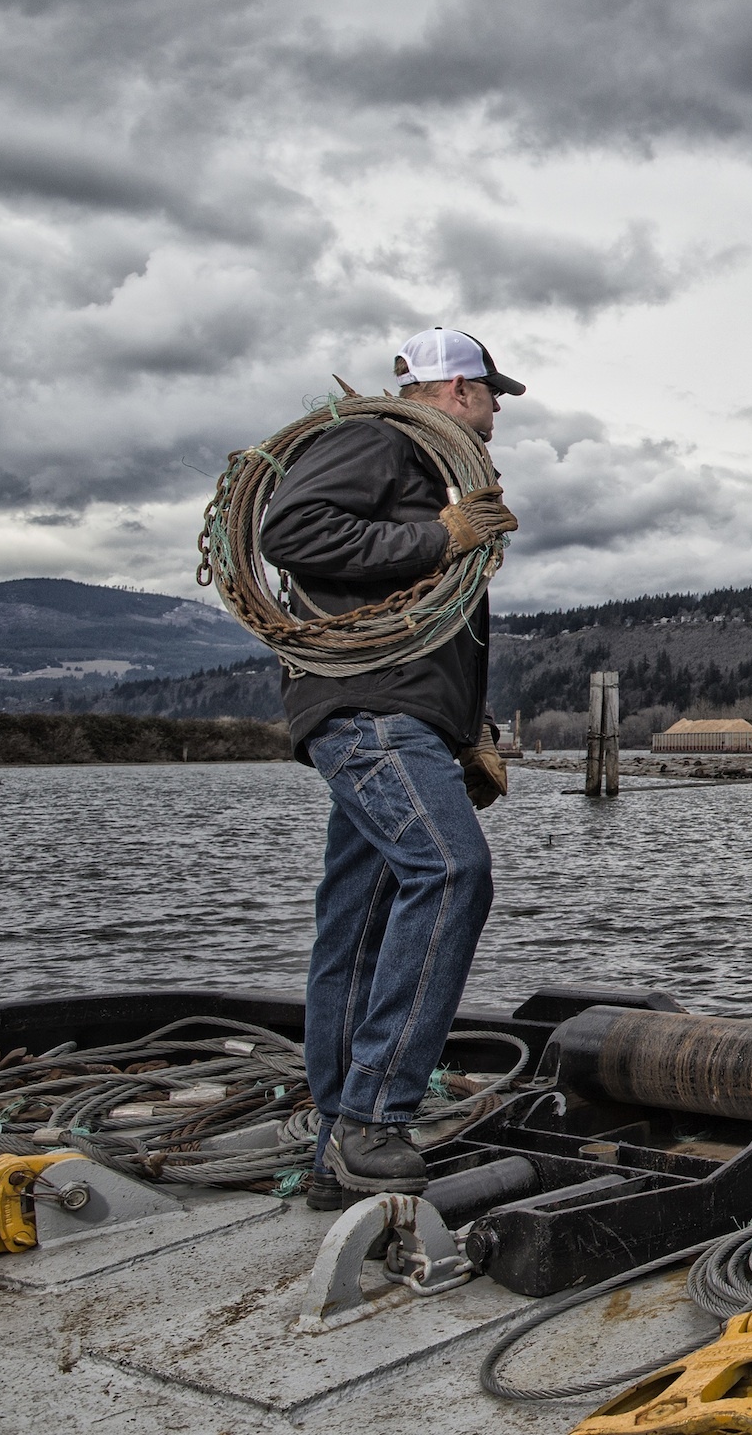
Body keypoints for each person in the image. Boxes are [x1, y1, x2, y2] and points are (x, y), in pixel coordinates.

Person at [260, 328, 523, 1202]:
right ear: (453, 389)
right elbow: (290, 529)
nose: (496, 410)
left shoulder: (420, 474)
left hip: (402, 715)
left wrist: (467, 733)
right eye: (491, 393)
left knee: (359, 925)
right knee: (451, 870)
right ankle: (376, 1113)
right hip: (371, 713)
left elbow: (437, 626)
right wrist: (436, 539)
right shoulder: (376, 440)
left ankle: (340, 1142)